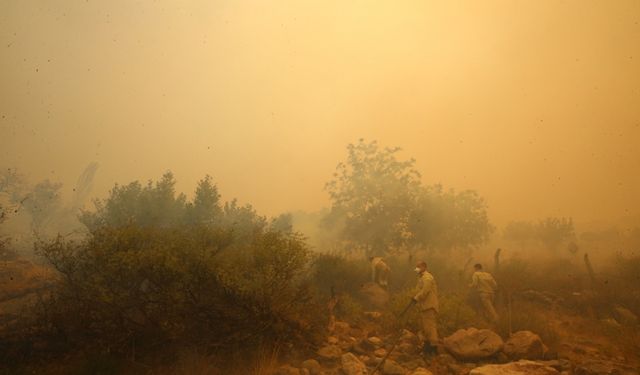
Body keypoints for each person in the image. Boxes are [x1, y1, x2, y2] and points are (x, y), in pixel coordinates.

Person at [412, 261, 439, 356]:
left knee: (430, 328)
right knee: (425, 328)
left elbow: (425, 290)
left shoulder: (427, 277)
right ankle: (427, 348)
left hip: (429, 306)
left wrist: (416, 298)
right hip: (424, 306)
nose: (417, 268)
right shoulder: (422, 277)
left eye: (418, 266)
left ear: (424, 267)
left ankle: (433, 348)